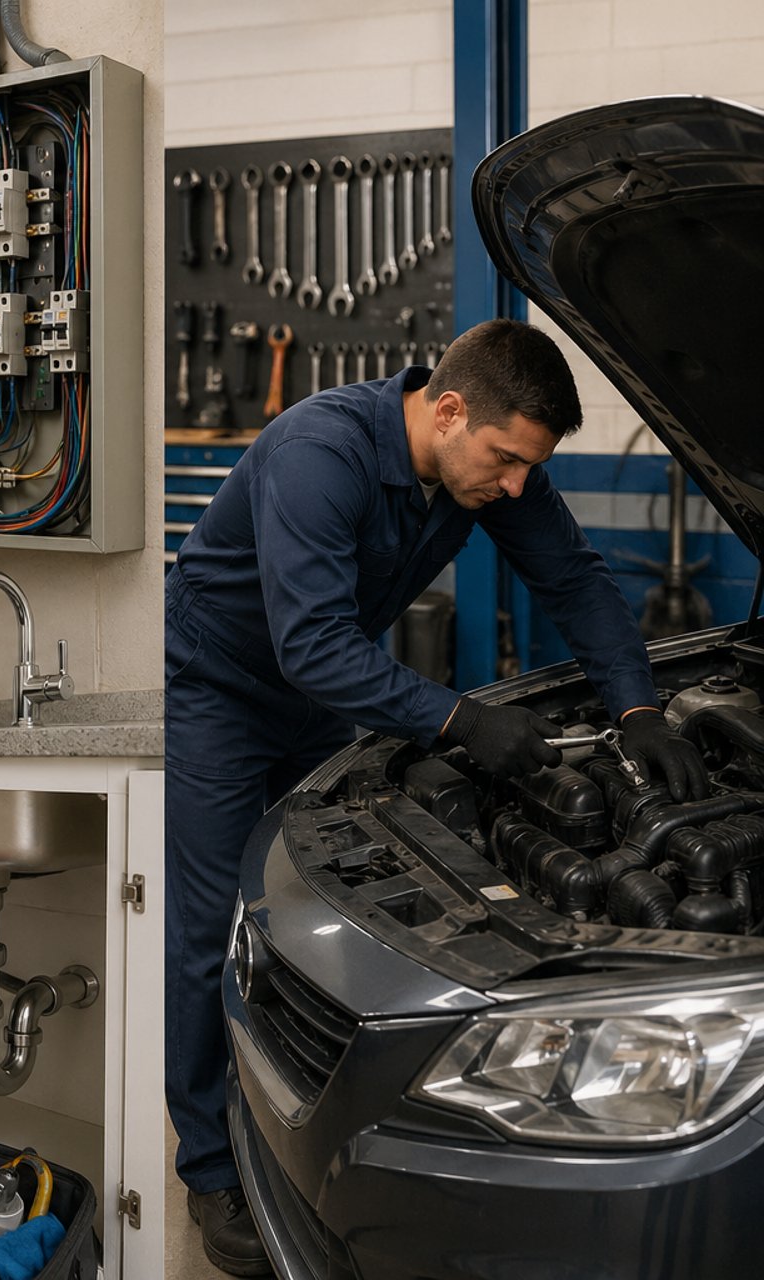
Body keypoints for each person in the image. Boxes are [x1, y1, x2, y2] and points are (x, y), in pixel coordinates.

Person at [163, 318, 708, 1276]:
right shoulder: (318, 454)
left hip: (319, 693)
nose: (510, 488)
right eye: (503, 461)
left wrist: (637, 708)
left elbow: (574, 579)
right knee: (214, 924)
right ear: (448, 410)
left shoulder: (485, 462)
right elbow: (314, 645)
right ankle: (210, 1170)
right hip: (225, 687)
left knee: (314, 916)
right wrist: (461, 722)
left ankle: (305, 1132)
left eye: (524, 470)